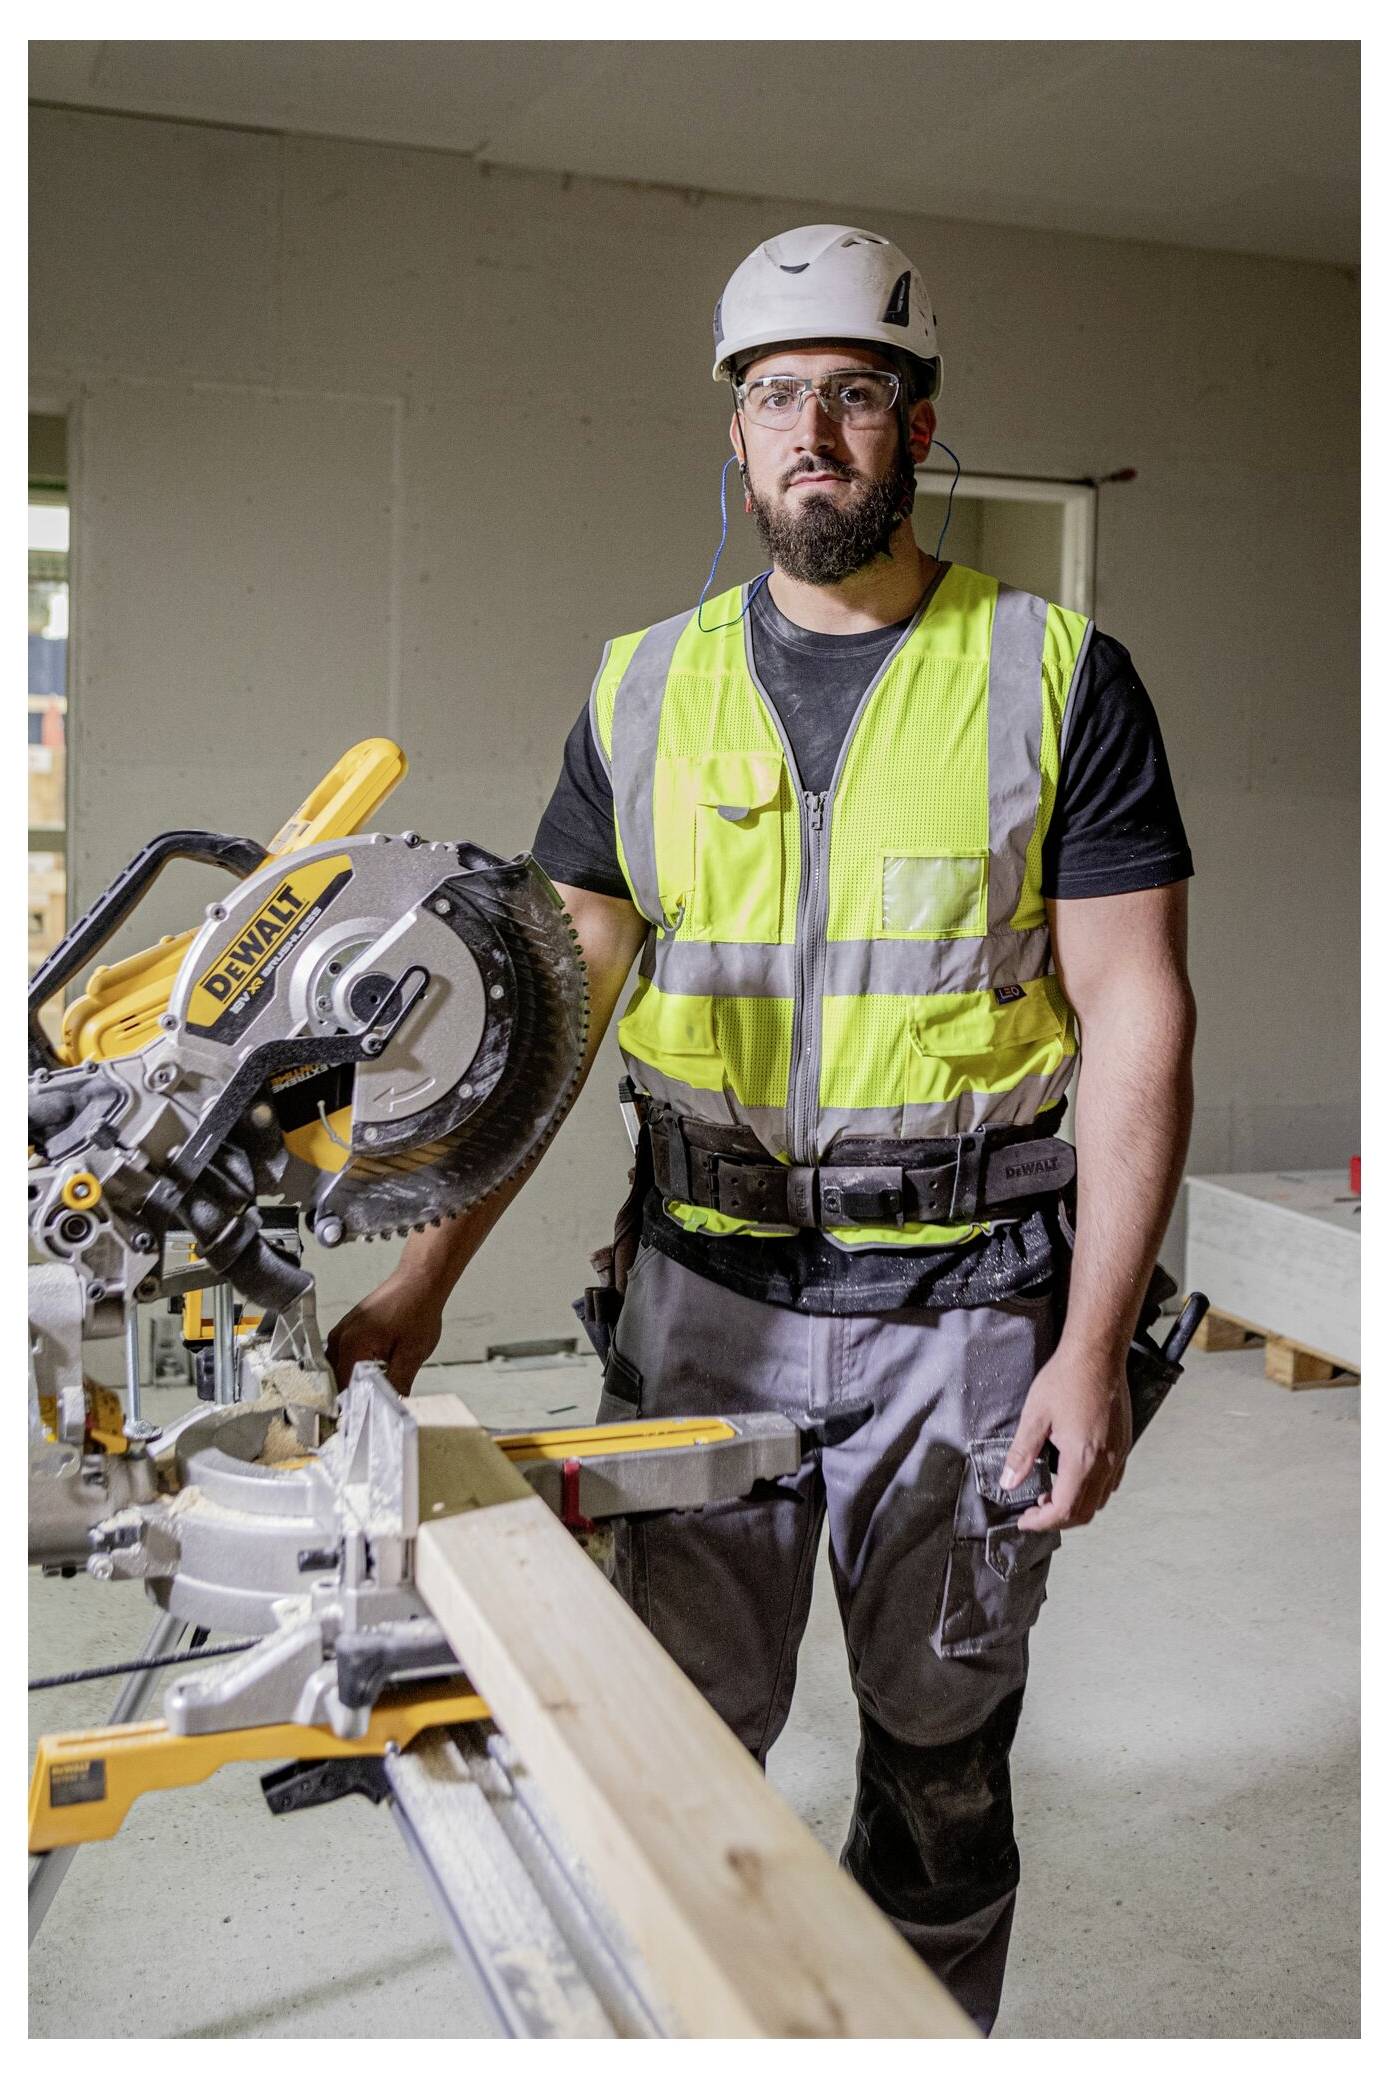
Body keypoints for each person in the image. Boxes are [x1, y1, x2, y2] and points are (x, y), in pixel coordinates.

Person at [327, 223, 1196, 2033]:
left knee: (941, 1765)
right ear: (736, 439)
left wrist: (1093, 1347)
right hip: (700, 1302)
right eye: (778, 397)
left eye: (855, 396)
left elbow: (1137, 1013)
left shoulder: (1055, 674)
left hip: (965, 1311)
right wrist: (420, 1287)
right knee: (670, 1743)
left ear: (917, 425)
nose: (815, 431)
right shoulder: (643, 687)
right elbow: (548, 1028)